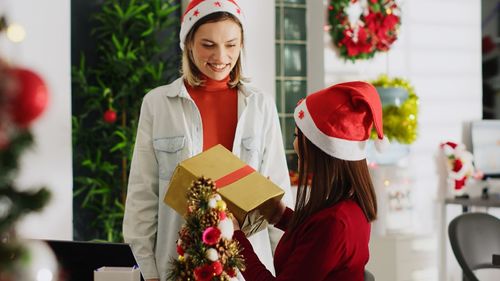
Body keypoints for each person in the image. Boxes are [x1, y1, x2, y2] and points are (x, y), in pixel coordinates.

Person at [122, 0, 293, 280]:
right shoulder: (158, 104)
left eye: (231, 44)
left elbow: (276, 198)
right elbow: (142, 196)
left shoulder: (260, 106)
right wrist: (149, 273)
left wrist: (284, 270)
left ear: (241, 45)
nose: (221, 56)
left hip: (246, 269)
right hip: (177, 266)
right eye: (208, 45)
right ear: (188, 44)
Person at [233, 81, 383, 281]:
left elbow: (322, 235)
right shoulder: (350, 205)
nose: (294, 144)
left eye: (297, 136)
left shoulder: (335, 222)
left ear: (320, 149)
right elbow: (314, 242)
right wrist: (280, 215)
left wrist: (234, 239)